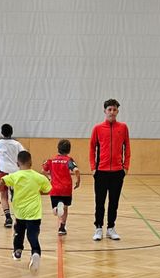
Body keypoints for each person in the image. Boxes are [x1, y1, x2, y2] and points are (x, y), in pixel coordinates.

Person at [0, 150, 51, 273]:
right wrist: (39, 191)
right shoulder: (38, 177)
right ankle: (36, 252)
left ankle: (17, 251)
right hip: (34, 214)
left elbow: (2, 181)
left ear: (17, 163)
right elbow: (48, 190)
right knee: (32, 235)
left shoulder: (15, 176)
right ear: (31, 162)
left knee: (18, 233)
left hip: (20, 213)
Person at [90, 98, 131, 241]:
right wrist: (93, 168)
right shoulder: (97, 128)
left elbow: (127, 148)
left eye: (114, 109)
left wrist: (125, 167)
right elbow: (91, 148)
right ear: (105, 111)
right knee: (99, 202)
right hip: (101, 171)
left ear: (117, 111)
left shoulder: (123, 127)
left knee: (114, 202)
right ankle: (98, 228)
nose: (112, 112)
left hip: (117, 172)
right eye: (109, 109)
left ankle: (111, 228)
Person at [42, 140, 80, 236]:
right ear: (69, 150)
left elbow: (43, 170)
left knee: (56, 209)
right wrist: (78, 181)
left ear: (58, 148)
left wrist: (49, 178)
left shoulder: (51, 160)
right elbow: (76, 170)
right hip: (66, 188)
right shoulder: (68, 160)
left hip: (54, 188)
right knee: (65, 208)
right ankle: (62, 227)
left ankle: (56, 210)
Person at [0, 124, 24, 228]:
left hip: (3, 171)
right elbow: (24, 155)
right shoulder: (17, 144)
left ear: (2, 132)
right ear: (12, 132)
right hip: (15, 172)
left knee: (4, 195)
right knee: (16, 196)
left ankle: (8, 218)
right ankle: (19, 217)